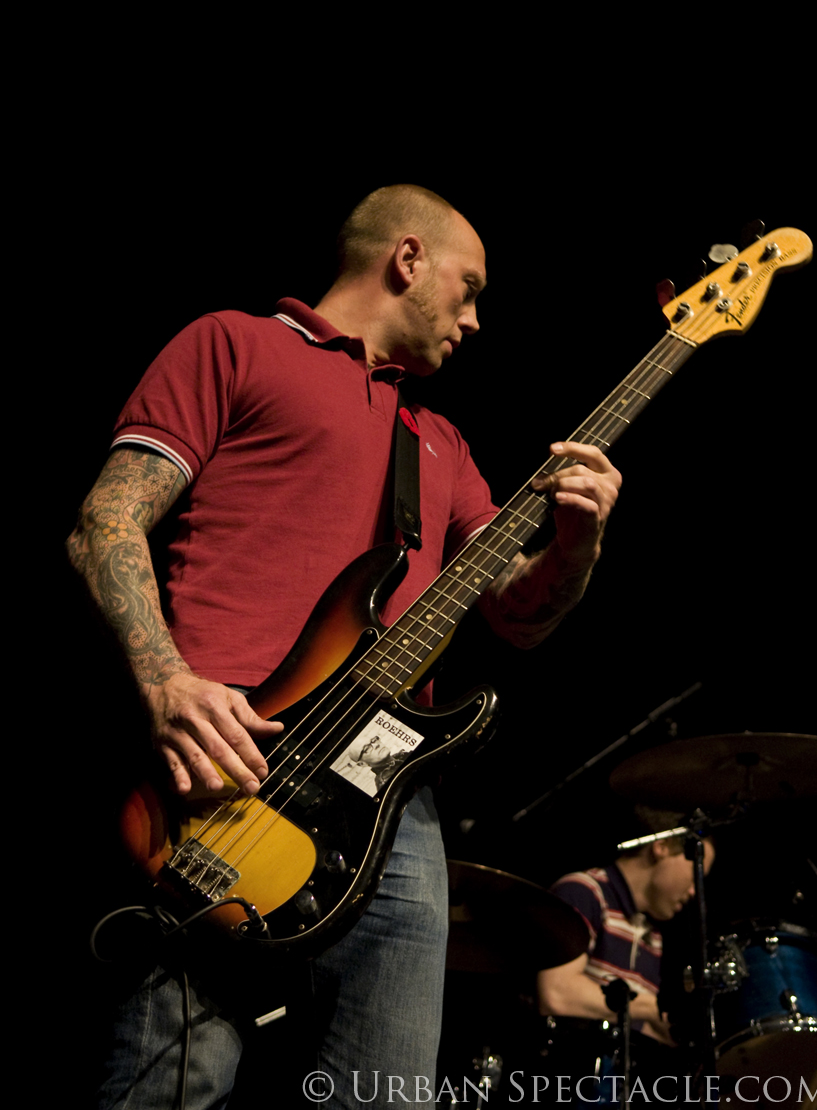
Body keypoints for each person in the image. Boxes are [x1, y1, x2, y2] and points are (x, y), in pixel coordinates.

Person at [68, 184, 622, 1109]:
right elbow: (106, 522)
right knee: (178, 1083)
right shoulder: (235, 343)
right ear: (407, 258)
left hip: (390, 804)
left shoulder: (440, 442)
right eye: (469, 288)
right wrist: (166, 684)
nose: (475, 321)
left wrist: (577, 546)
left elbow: (517, 617)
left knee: (387, 1095)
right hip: (232, 763)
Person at [536, 810, 715, 1101]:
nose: (695, 891)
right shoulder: (585, 892)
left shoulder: (651, 933)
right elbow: (556, 992)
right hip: (565, 1085)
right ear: (662, 847)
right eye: (695, 872)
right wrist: (653, 1008)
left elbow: (633, 1027)